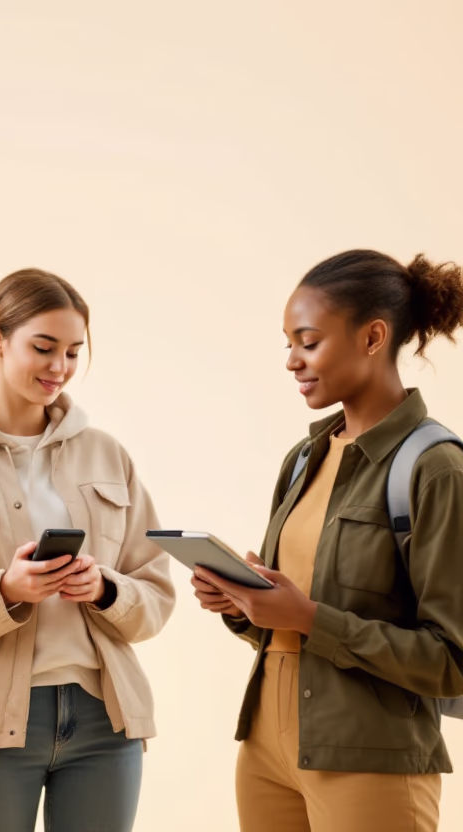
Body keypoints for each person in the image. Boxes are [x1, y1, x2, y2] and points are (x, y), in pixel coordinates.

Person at [0, 268, 175, 832]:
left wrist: (105, 588)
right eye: (43, 348)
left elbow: (157, 592)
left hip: (106, 720)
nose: (60, 368)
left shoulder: (106, 454)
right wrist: (4, 591)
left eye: (73, 352)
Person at [192, 250, 463, 832]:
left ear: (372, 337)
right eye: (287, 343)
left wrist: (310, 617)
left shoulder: (435, 468)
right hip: (266, 750)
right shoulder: (303, 459)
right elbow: (283, 625)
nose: (291, 361)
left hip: (371, 757)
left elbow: (452, 660)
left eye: (308, 342)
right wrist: (242, 604)